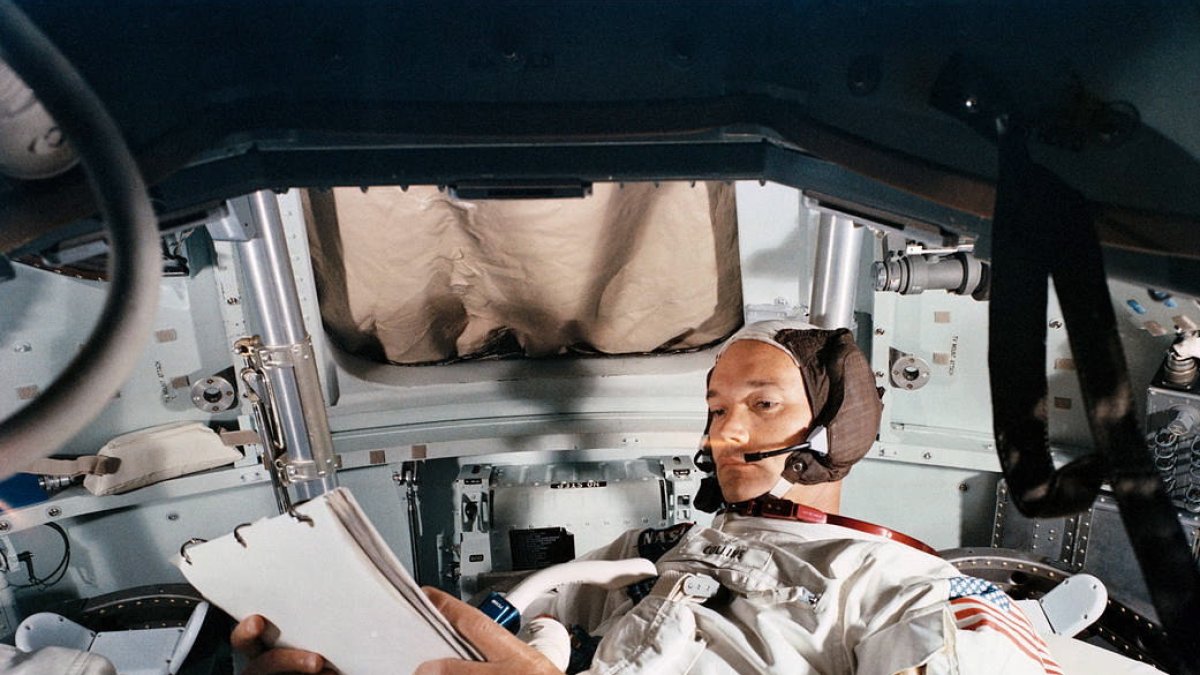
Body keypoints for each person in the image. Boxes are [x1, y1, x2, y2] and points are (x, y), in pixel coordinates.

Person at [233, 320, 1063, 675]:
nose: (724, 433)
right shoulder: (660, 554)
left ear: (838, 424)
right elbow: (545, 622)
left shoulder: (899, 580)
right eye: (714, 409)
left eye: (762, 403)